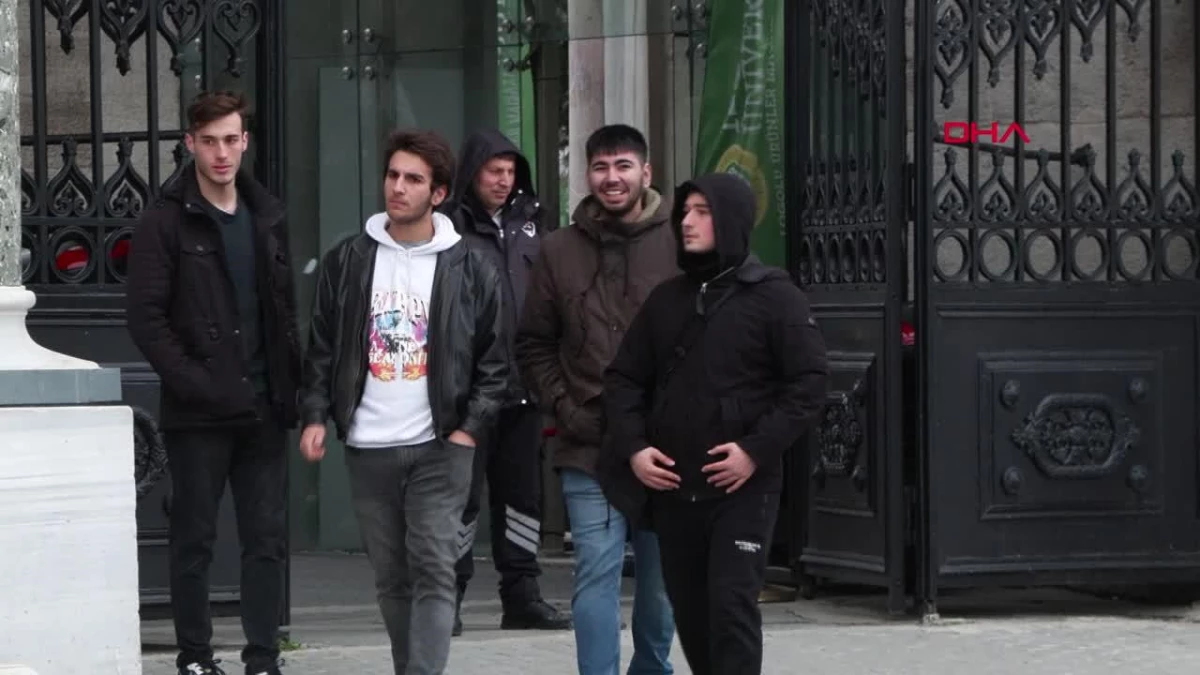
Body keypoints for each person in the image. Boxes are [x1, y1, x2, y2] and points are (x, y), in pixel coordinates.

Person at [296, 129, 510, 675]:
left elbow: (495, 361)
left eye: (413, 179)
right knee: (392, 579)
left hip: (441, 445)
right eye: (393, 175)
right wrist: (316, 415)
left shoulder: (472, 266)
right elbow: (322, 347)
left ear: (438, 193)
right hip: (369, 445)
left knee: (435, 569)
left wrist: (468, 430)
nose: (397, 187)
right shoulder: (349, 259)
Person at [600, 173, 829, 675]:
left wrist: (755, 449)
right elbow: (623, 379)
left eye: (702, 212)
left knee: (731, 610)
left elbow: (810, 384)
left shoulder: (776, 297)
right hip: (674, 490)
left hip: (743, 491)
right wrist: (635, 448)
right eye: (685, 211)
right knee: (693, 617)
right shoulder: (667, 300)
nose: (687, 221)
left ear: (731, 220)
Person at [125, 90, 301, 675]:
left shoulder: (266, 215)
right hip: (198, 414)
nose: (221, 153)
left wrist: (292, 389)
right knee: (194, 539)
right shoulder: (164, 220)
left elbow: (283, 309)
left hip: (264, 408)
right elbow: (146, 319)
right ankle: (195, 658)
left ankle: (263, 657)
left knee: (266, 539)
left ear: (245, 141)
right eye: (209, 141)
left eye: (230, 139)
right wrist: (196, 383)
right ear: (190, 144)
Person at [515, 124, 676, 675]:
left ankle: (652, 667)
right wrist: (565, 406)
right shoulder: (558, 250)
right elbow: (534, 343)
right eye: (601, 167)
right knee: (596, 575)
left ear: (646, 172)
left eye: (624, 166)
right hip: (588, 444)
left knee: (661, 582)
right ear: (587, 175)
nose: (612, 178)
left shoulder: (678, 242)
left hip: (665, 446)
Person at [442, 129, 571, 634]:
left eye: (510, 171)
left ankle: (522, 598)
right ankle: (446, 600)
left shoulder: (535, 224)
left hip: (524, 389)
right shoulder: (449, 226)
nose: (503, 180)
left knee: (522, 498)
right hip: (468, 392)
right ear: (472, 173)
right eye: (493, 171)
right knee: (461, 499)